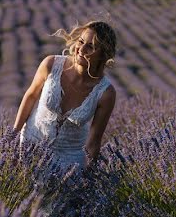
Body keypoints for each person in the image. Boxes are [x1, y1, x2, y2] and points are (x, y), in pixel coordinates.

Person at [13, 20, 117, 171]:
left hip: (68, 164)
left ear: (102, 55)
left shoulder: (106, 93)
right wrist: (13, 138)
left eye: (90, 46)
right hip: (30, 148)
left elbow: (94, 140)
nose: (81, 49)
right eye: (81, 41)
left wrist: (90, 179)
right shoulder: (51, 64)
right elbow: (30, 96)